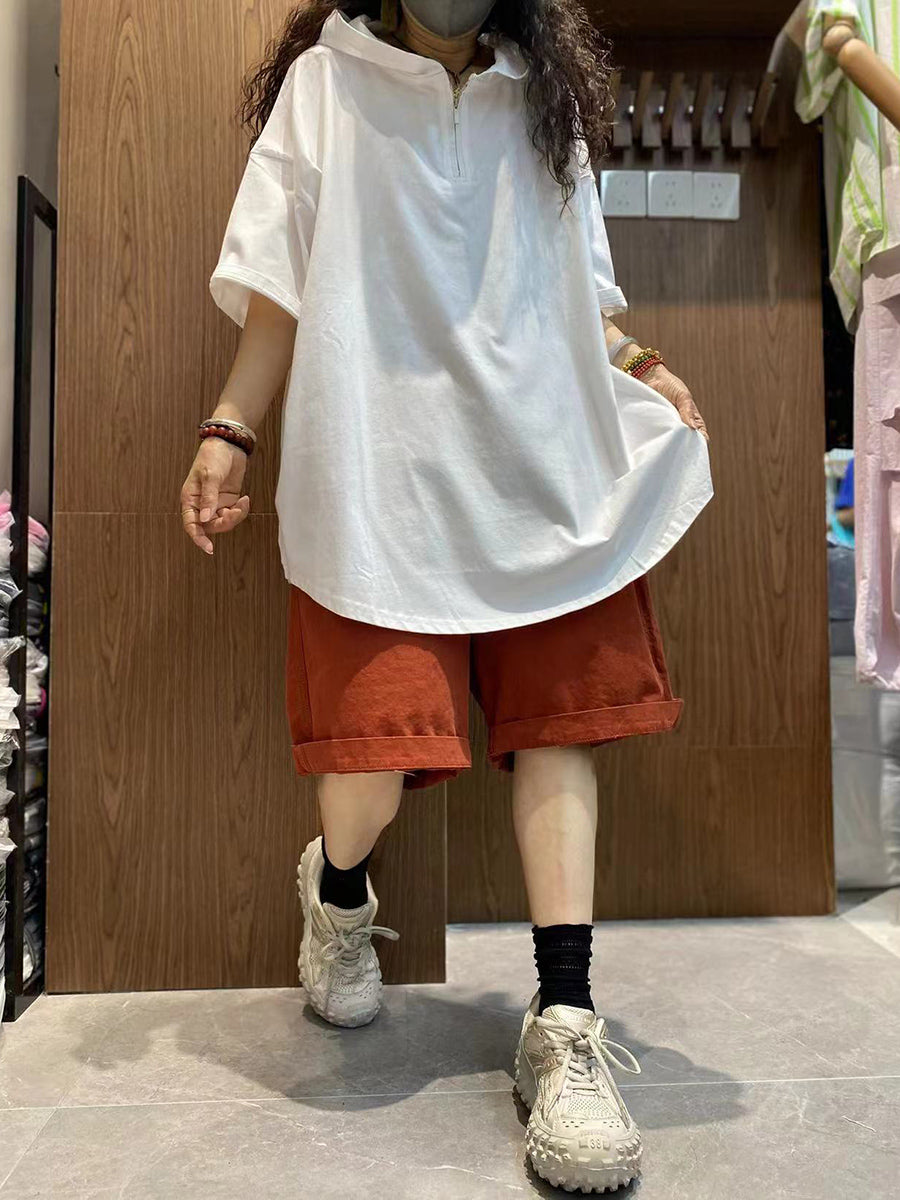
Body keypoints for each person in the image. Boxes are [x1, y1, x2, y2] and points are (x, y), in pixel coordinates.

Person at [180, 1, 712, 1191]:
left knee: (560, 729)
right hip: (379, 464)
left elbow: (583, 292)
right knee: (369, 761)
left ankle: (564, 1020)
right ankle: (338, 894)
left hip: (540, 455)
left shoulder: (545, 103)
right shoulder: (329, 87)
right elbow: (278, 282)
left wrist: (640, 363)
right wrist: (230, 427)